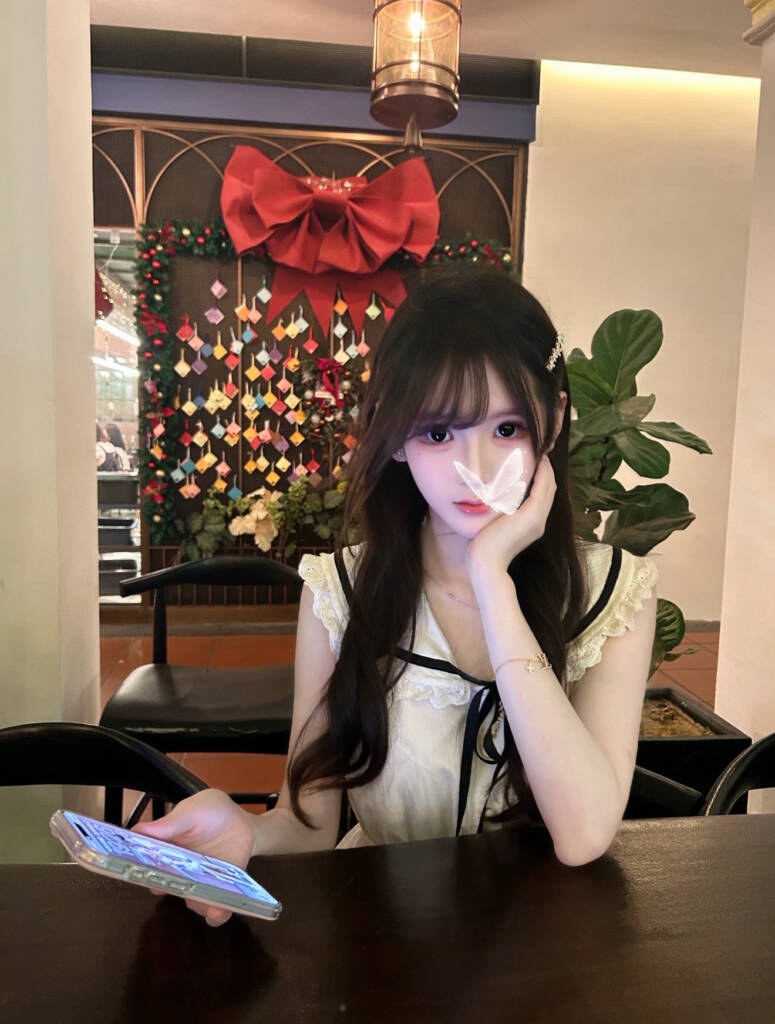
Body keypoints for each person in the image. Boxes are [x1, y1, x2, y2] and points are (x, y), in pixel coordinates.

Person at [137, 267, 657, 925]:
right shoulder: (340, 592)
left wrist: (492, 577)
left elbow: (583, 836)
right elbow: (308, 825)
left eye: (506, 429)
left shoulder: (614, 592)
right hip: (383, 939)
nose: (475, 468)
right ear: (397, 438)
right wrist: (247, 830)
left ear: (552, 421)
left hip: (542, 948)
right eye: (438, 433)